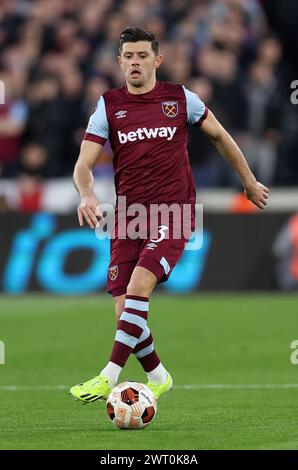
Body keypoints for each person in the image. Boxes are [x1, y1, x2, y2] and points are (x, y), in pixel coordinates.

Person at [70, 27, 269, 404]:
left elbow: (221, 136)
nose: (134, 62)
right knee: (124, 311)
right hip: (128, 216)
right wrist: (88, 193)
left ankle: (107, 376)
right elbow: (84, 163)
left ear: (157, 60)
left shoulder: (180, 99)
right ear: (119, 61)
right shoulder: (108, 105)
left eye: (142, 55)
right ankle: (158, 376)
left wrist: (248, 180)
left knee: (140, 285)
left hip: (173, 211)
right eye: (128, 55)